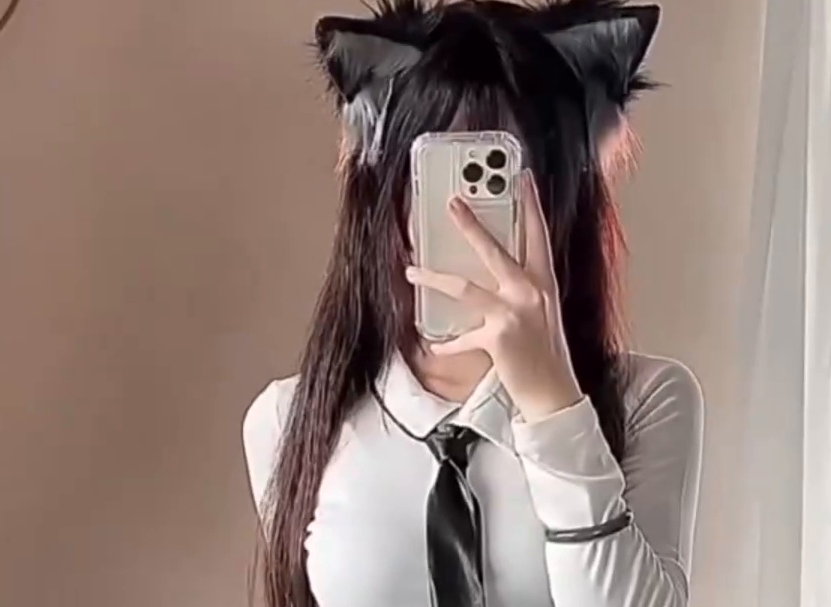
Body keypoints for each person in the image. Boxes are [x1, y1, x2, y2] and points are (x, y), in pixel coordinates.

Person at [242, 1, 704, 606]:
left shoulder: (647, 401)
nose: (469, 212)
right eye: (442, 173)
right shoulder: (290, 421)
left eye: (499, 175)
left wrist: (553, 406)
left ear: (564, 194)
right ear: (385, 192)